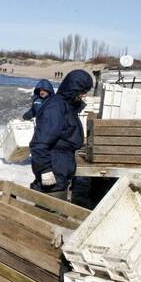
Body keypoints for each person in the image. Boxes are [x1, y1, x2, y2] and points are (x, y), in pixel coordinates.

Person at [30, 69, 93, 200]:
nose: (85, 95)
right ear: (74, 89)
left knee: (56, 212)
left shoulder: (67, 106)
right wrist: (45, 169)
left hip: (60, 170)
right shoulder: (55, 108)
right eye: (83, 91)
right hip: (53, 170)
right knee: (50, 211)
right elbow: (39, 143)